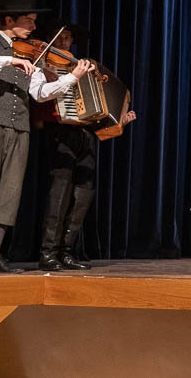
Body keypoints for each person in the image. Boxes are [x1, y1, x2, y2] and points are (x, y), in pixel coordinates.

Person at [0, 0, 93, 273]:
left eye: (33, 21)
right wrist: (8, 61)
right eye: (28, 20)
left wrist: (71, 77)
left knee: (11, 190)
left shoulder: (34, 54)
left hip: (20, 127)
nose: (33, 26)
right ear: (9, 20)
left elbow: (40, 93)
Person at [33, 24, 136, 271]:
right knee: (59, 194)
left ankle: (67, 252)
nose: (65, 42)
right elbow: (41, 96)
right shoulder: (44, 65)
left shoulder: (82, 65)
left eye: (68, 38)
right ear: (50, 39)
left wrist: (118, 121)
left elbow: (95, 108)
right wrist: (71, 77)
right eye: (60, 38)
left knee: (83, 195)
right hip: (59, 131)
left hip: (84, 134)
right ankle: (48, 253)